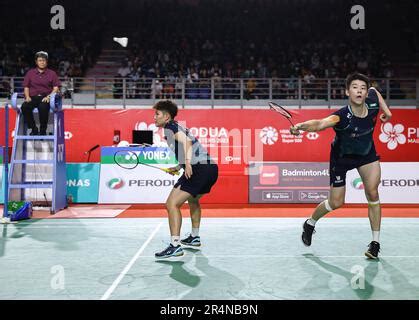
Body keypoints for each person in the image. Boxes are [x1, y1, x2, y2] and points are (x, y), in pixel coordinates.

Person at [290, 73, 392, 259]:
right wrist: (301, 126)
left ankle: (375, 243)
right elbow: (321, 124)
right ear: (347, 92)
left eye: (362, 87)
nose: (360, 90)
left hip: (366, 155)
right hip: (342, 158)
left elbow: (375, 91)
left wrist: (387, 111)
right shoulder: (342, 116)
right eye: (355, 87)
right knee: (336, 202)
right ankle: (310, 223)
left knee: (373, 193)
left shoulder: (372, 101)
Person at [153, 100, 218, 259]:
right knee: (194, 200)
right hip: (210, 168)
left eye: (157, 114)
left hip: (199, 169)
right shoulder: (176, 126)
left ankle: (175, 245)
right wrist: (178, 166)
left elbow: (187, 142)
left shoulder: (170, 127)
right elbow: (189, 149)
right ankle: (194, 237)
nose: (154, 117)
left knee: (171, 204)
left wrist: (187, 164)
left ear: (167, 116)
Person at [21, 51, 60, 135]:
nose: (42, 62)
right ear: (36, 62)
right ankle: (33, 128)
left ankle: (43, 130)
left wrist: (49, 97)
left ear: (47, 62)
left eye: (44, 60)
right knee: (24, 107)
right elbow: (26, 87)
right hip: (33, 97)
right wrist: (27, 97)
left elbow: (56, 88)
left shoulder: (52, 73)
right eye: (40, 60)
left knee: (43, 107)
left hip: (45, 97)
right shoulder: (30, 73)